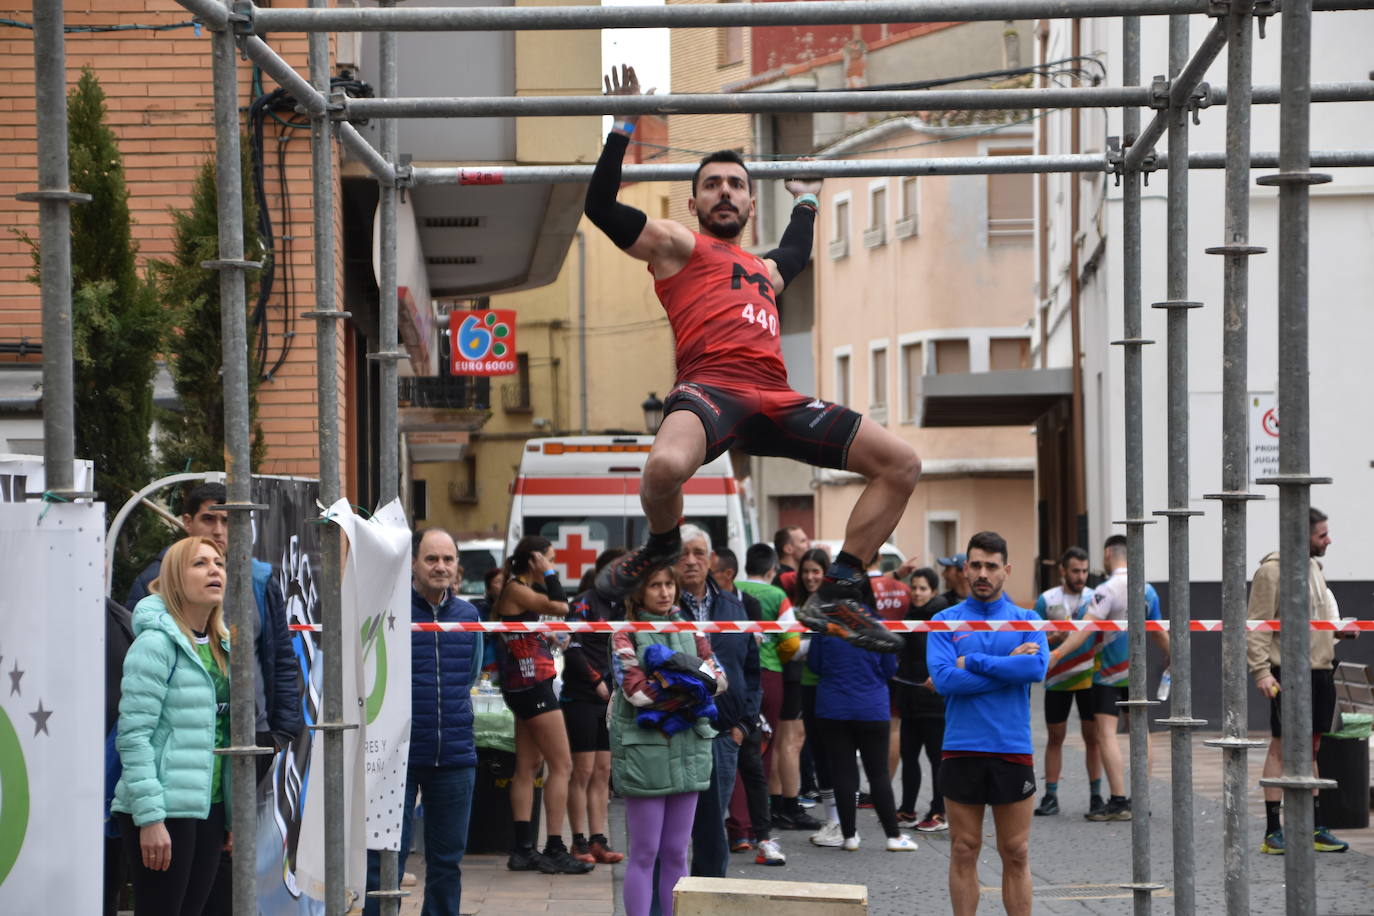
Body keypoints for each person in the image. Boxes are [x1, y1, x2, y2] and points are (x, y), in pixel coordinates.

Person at [585, 63, 919, 651]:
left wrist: (809, 199)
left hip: (777, 397)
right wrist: (624, 126)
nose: (725, 193)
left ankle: (839, 590)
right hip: (711, 389)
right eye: (713, 184)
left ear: (749, 202)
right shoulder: (678, 244)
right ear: (693, 203)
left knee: (901, 464)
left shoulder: (763, 271)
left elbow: (795, 252)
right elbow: (601, 208)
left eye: (736, 184)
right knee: (663, 468)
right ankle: (662, 543)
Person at [364, 528, 484, 916]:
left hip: (454, 755)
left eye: (448, 559)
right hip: (396, 756)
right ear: (413, 564)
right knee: (385, 863)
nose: (440, 567)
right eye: (431, 559)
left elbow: (470, 675)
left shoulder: (469, 616)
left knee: (447, 863)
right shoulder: (390, 610)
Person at [928, 532, 1048, 916]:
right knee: (964, 848)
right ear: (965, 568)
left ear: (1006, 571)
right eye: (976, 564)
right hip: (962, 744)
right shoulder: (944, 621)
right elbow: (945, 680)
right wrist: (1008, 666)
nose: (982, 573)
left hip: (1011, 746)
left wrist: (974, 662)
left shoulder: (1028, 620)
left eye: (991, 566)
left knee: (1016, 851)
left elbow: (1036, 667)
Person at [111, 536, 232, 916]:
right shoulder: (155, 645)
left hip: (209, 807)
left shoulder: (223, 646)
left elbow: (225, 735)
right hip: (162, 809)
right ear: (175, 579)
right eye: (199, 563)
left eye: (218, 562)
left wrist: (231, 812)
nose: (214, 570)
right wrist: (150, 819)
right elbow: (133, 737)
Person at [611, 566, 727, 916]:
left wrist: (672, 680)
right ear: (638, 592)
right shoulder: (623, 633)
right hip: (643, 754)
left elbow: (719, 681)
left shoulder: (691, 629)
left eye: (668, 585)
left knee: (678, 853)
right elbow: (636, 693)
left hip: (690, 749)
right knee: (644, 854)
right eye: (655, 585)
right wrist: (692, 686)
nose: (664, 592)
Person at [1247, 506, 1351, 855]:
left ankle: (1313, 826)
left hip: (1321, 669)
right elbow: (1258, 624)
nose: (1328, 539)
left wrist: (1337, 634)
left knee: (1312, 747)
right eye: (1322, 534)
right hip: (1288, 672)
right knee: (1281, 745)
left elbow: (1316, 622)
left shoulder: (1312, 567)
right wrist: (1261, 671)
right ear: (1300, 535)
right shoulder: (1271, 572)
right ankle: (1273, 830)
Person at [494, 536, 594, 874]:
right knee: (562, 765)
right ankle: (554, 847)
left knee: (528, 765)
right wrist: (549, 572)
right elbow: (561, 606)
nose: (553, 564)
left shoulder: (517, 590)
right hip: (532, 685)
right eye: (549, 558)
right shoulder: (516, 588)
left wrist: (542, 635)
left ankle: (523, 849)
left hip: (524, 684)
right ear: (535, 560)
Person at [1053, 534, 1169, 822]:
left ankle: (1118, 800)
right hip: (1137, 671)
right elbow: (1157, 630)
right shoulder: (1148, 590)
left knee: (1106, 733)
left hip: (1108, 673)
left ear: (1108, 555)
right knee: (1141, 732)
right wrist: (1175, 655)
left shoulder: (1105, 590)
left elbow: (1084, 631)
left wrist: (1055, 656)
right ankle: (1141, 798)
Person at [674, 526, 768, 872]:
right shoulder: (663, 608)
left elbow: (752, 670)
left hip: (725, 735)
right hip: (676, 732)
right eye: (683, 553)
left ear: (711, 559)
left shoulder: (735, 607)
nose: (691, 561)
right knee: (673, 830)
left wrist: (745, 723)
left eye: (699, 553)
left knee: (713, 830)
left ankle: (707, 898)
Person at [806, 620, 918, 853]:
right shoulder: (878, 626)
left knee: (843, 772)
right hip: (871, 706)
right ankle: (893, 836)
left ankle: (849, 836)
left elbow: (815, 665)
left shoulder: (824, 627)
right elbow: (889, 669)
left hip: (833, 706)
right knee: (878, 773)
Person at [735, 544, 815, 834]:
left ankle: (737, 818)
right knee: (765, 747)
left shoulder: (733, 589)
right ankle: (760, 817)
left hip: (735, 673)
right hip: (769, 673)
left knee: (735, 746)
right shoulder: (778, 595)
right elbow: (793, 643)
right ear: (772, 570)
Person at [562, 548, 630, 865]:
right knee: (583, 771)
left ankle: (598, 839)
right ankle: (578, 842)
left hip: (611, 700)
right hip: (581, 697)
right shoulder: (584, 602)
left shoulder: (626, 604)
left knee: (604, 771)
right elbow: (572, 648)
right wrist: (596, 683)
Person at [1031, 546, 1103, 818]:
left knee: (1093, 738)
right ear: (1062, 571)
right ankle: (1050, 796)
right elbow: (1032, 639)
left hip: (1089, 678)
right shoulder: (1047, 600)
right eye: (1075, 571)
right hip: (1058, 679)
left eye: (1084, 571)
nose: (1081, 576)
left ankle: (1096, 797)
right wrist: (1053, 639)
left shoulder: (1095, 598)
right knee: (1055, 737)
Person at [893, 567, 949, 832]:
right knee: (909, 756)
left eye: (922, 588)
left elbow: (951, 654)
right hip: (910, 699)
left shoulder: (942, 619)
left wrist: (938, 677)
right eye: (913, 587)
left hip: (934, 703)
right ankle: (907, 810)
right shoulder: (908, 617)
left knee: (937, 759)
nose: (916, 592)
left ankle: (939, 813)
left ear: (934, 591)